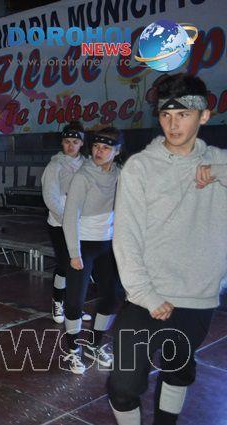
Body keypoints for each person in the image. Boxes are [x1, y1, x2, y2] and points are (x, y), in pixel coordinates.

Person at [108, 73, 227, 425]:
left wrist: (219, 171)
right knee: (122, 385)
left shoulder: (218, 162)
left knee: (178, 371)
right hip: (146, 296)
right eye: (165, 115)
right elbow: (126, 235)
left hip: (197, 297)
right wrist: (145, 294)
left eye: (183, 115)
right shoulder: (140, 167)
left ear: (204, 115)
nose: (173, 125)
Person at [61, 127, 122, 375]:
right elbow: (69, 216)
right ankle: (72, 349)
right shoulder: (82, 177)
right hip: (83, 244)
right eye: (96, 146)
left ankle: (95, 345)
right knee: (76, 299)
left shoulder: (120, 174)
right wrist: (74, 253)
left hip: (107, 244)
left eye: (106, 148)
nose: (99, 151)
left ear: (117, 151)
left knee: (112, 296)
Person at [41, 121, 92, 324]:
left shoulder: (89, 165)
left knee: (79, 267)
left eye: (75, 142)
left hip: (83, 225)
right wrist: (68, 221)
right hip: (59, 223)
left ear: (82, 143)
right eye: (67, 142)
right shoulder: (54, 166)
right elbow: (50, 197)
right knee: (65, 265)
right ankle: (58, 301)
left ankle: (75, 307)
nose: (71, 146)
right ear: (62, 143)